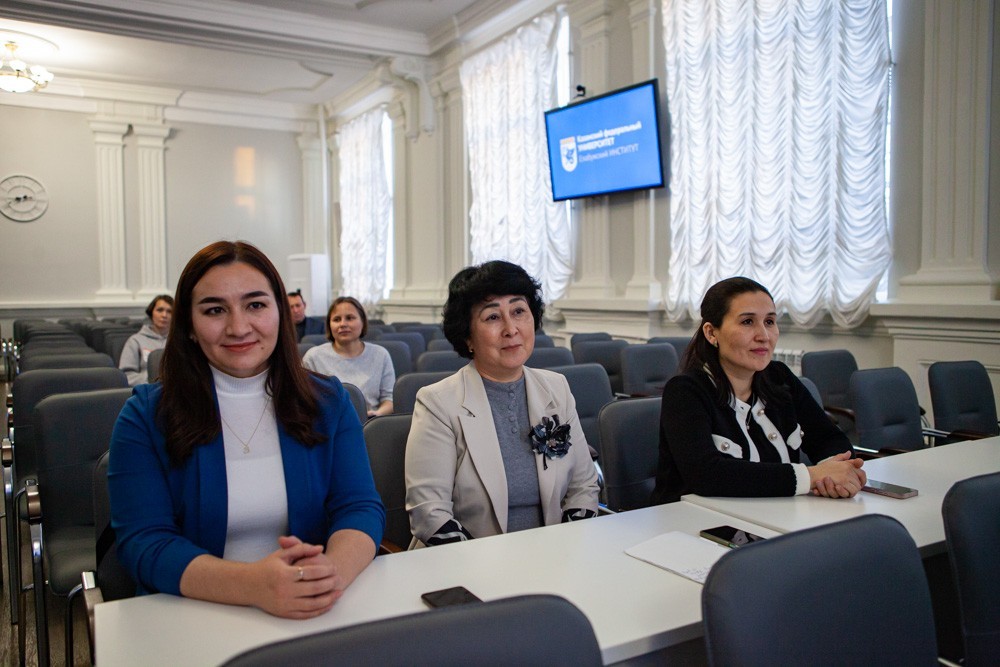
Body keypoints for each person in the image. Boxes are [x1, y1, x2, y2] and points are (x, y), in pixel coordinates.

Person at [109, 241, 385, 620]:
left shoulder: (328, 401)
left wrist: (328, 576)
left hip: (312, 607)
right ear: (189, 326)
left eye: (255, 305)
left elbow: (359, 507)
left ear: (280, 313)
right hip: (191, 612)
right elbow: (144, 541)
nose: (239, 327)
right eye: (214, 310)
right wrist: (254, 585)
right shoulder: (145, 415)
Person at [405, 260, 599, 547]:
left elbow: (583, 486)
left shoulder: (556, 388)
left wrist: (566, 547)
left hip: (555, 554)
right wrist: (496, 564)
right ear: (468, 336)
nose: (511, 329)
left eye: (519, 311)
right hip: (468, 560)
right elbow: (429, 513)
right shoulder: (438, 403)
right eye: (493, 317)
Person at [650, 276, 866, 505]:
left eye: (770, 321)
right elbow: (706, 474)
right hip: (696, 519)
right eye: (747, 322)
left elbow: (830, 439)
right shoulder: (685, 391)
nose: (763, 336)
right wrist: (811, 476)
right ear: (711, 333)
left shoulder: (780, 378)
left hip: (778, 514)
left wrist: (835, 474)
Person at [302, 296, 394, 418]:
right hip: (329, 424)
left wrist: (377, 414)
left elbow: (389, 400)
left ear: (363, 322)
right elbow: (305, 402)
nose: (343, 324)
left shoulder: (381, 355)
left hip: (370, 422)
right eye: (336, 319)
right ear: (329, 325)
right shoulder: (313, 357)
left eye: (350, 318)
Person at [119, 294, 173, 386]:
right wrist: (152, 378)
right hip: (146, 389)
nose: (164, 315)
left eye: (169, 311)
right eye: (160, 310)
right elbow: (125, 376)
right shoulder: (135, 341)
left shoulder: (179, 342)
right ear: (151, 313)